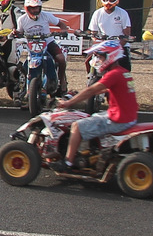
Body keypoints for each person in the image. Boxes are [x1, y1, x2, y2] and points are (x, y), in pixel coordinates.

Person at [58, 40, 139, 169]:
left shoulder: (113, 74)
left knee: (76, 126)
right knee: (93, 116)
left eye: (100, 56)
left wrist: (68, 103)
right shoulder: (124, 72)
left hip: (118, 120)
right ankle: (92, 152)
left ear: (110, 56)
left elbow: (92, 89)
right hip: (128, 117)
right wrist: (79, 94)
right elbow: (109, 89)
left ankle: (67, 162)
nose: (98, 60)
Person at [17, 0, 70, 95]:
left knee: (61, 59)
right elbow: (19, 32)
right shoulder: (22, 20)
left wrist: (63, 30)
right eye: (32, 8)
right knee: (24, 65)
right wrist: (16, 34)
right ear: (27, 8)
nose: (35, 11)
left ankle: (61, 80)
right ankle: (26, 89)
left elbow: (61, 24)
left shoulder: (46, 16)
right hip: (32, 45)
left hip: (48, 42)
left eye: (37, 8)